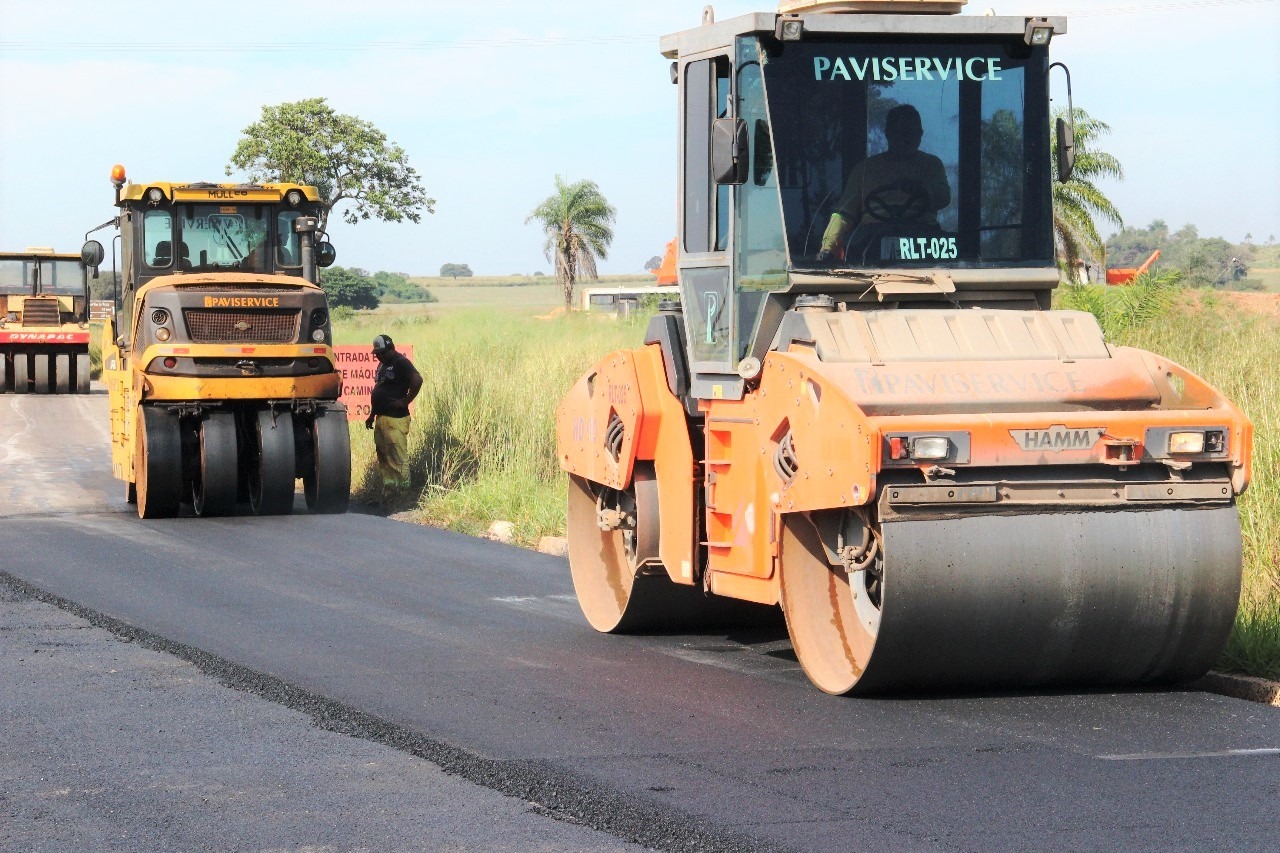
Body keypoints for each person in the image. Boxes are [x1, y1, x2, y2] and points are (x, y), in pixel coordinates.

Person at [817, 104, 952, 262]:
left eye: (910, 132)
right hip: (872, 242)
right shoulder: (866, 169)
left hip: (922, 240)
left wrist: (924, 192)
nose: (904, 138)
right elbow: (843, 214)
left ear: (920, 134)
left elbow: (944, 198)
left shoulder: (931, 164)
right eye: (898, 132)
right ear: (888, 134)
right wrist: (827, 249)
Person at [364, 334, 423, 492]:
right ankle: (390, 491)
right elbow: (380, 390)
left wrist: (405, 401)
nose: (379, 356)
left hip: (395, 419)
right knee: (384, 457)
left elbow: (417, 380)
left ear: (392, 348)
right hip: (381, 418)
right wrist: (371, 415)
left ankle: (403, 492)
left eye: (382, 352)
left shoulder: (401, 362)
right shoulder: (382, 365)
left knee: (397, 457)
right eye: (377, 354)